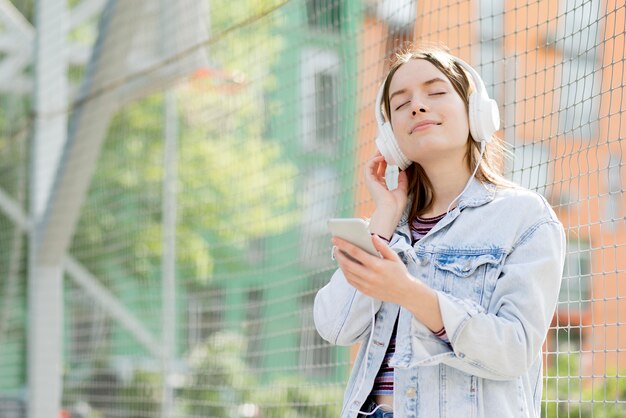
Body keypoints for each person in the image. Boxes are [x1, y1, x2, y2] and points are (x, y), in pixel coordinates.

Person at [313, 47, 566, 418]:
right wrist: (383, 218)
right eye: (400, 105)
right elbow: (335, 326)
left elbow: (514, 349)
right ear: (390, 137)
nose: (417, 106)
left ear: (475, 113)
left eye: (435, 92)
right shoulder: (385, 227)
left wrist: (408, 293)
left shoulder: (524, 217)